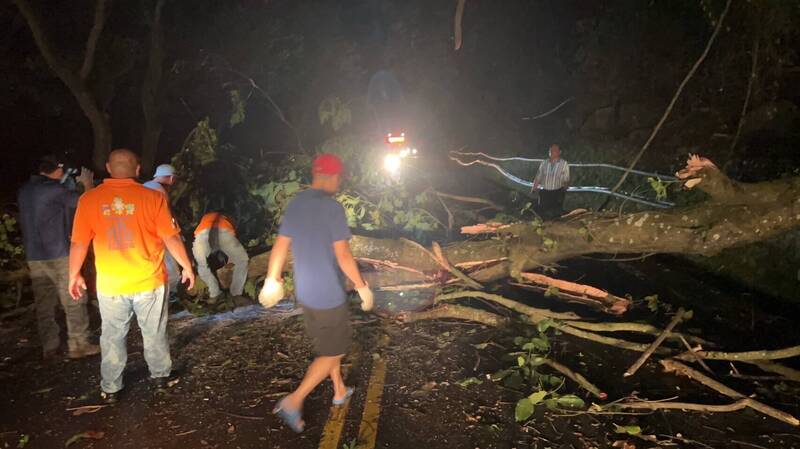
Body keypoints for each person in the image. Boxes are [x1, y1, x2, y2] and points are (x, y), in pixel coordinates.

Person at [68, 149, 195, 403]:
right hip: (149, 280)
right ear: (138, 170)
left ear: (108, 167)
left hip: (111, 284)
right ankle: (160, 377)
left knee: (112, 336)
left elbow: (79, 242)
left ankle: (111, 388)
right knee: (154, 331)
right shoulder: (152, 197)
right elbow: (170, 237)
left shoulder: (89, 200)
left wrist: (74, 274)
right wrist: (187, 266)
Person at [258, 153, 374, 433]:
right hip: (329, 295)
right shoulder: (332, 208)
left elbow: (280, 245)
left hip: (306, 292)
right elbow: (344, 255)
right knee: (334, 351)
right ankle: (293, 401)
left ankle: (339, 390)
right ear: (332, 177)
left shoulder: (297, 203)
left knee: (327, 344)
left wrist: (272, 279)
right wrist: (362, 287)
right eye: (338, 177)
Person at [17, 155, 100, 360]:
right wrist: (86, 184)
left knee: (45, 303)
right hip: (58, 253)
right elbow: (84, 203)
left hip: (34, 256)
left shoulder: (25, 190)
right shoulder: (54, 190)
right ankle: (78, 344)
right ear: (58, 171)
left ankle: (50, 347)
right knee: (74, 299)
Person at [192, 212, 249, 300]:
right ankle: (236, 293)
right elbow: (232, 237)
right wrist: (231, 259)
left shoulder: (204, 218)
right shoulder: (226, 218)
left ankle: (214, 294)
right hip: (223, 231)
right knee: (242, 260)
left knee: (202, 265)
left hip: (201, 234)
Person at [143, 164, 180, 293]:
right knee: (172, 270)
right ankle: (170, 296)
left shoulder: (144, 186)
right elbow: (166, 215)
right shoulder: (159, 191)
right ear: (171, 178)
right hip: (158, 235)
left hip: (141, 235)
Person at [532, 144, 570, 220]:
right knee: (542, 213)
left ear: (559, 152)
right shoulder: (544, 163)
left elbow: (566, 179)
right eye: (551, 151)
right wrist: (534, 188)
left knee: (555, 215)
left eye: (555, 150)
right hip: (545, 192)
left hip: (557, 192)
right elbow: (538, 176)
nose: (552, 152)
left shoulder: (564, 164)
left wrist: (563, 191)